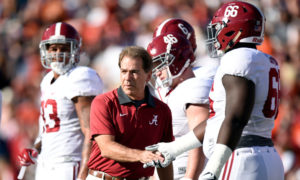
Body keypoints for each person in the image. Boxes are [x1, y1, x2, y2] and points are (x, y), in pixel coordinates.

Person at [144, 1, 284, 180]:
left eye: (219, 27)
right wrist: (174, 148)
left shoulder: (237, 58)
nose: (215, 33)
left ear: (233, 29)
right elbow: (217, 121)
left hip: (239, 156)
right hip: (268, 155)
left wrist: (214, 167)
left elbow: (235, 119)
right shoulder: (265, 60)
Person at [17, 22, 103, 180]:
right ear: (45, 50)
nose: (58, 53)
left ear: (75, 50)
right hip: (45, 164)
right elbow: (49, 129)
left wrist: (84, 173)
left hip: (68, 163)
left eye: (64, 48)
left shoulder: (79, 77)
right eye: (54, 48)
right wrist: (35, 149)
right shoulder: (47, 80)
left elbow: (92, 131)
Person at [86, 46, 174, 180]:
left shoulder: (162, 110)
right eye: (123, 71)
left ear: (148, 75)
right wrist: (141, 155)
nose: (127, 77)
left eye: (134, 72)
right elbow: (107, 148)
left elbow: (164, 157)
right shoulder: (103, 102)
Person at [147, 33, 210, 180]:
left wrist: (190, 177)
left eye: (159, 64)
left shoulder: (194, 87)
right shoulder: (175, 90)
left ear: (177, 60)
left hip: (184, 173)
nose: (156, 72)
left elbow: (198, 140)